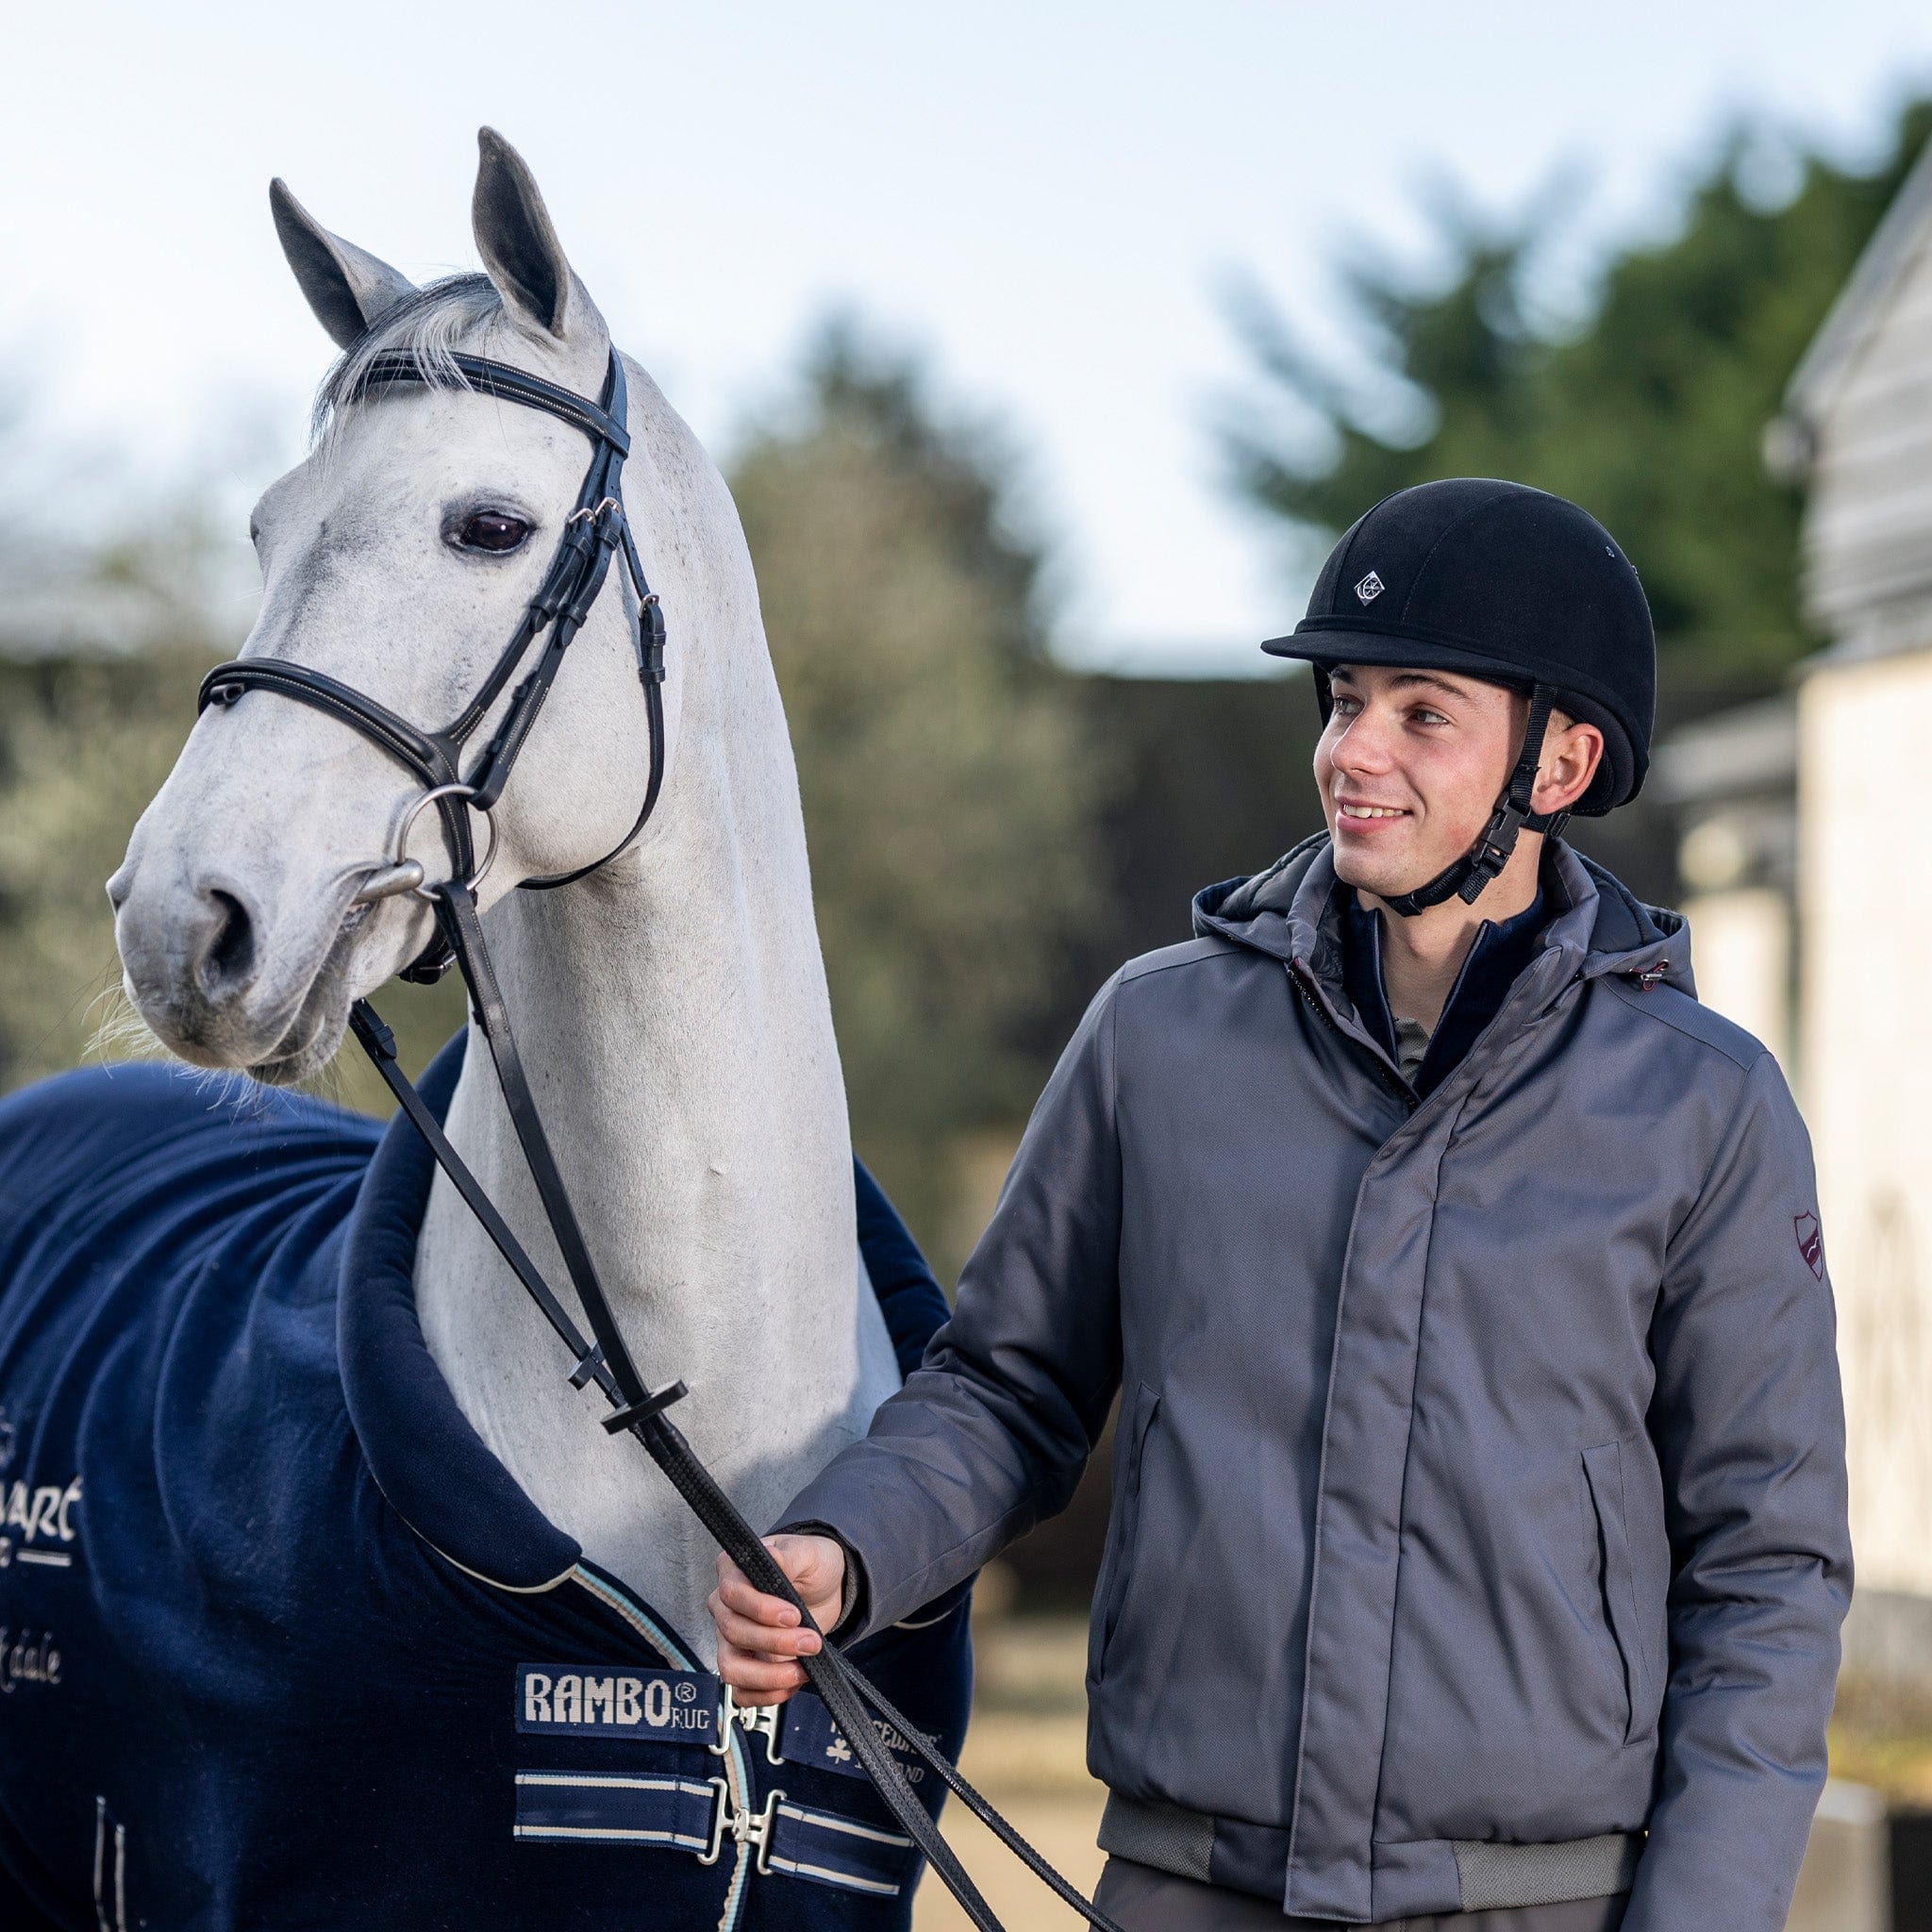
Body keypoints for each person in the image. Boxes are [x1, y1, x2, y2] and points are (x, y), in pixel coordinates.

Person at [708, 478, 1852, 1931]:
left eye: (1420, 713)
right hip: (1189, 1890)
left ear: (1557, 764)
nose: (1351, 752)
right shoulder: (1155, 1039)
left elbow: (1768, 1566)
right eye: (1344, 700)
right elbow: (1005, 1388)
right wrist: (849, 1548)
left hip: (1543, 1904)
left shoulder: (1706, 1107)